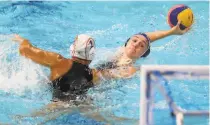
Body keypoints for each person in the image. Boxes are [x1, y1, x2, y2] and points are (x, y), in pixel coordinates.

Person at [12, 34, 137, 125]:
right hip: (85, 104)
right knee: (111, 121)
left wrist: (23, 40)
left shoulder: (59, 61)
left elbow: (26, 51)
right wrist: (134, 69)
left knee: (24, 119)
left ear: (73, 49)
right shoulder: (93, 73)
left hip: (59, 104)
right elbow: (117, 74)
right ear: (92, 55)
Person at [96, 21, 190, 78]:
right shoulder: (119, 51)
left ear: (143, 54)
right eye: (134, 40)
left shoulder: (132, 69)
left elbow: (101, 76)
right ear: (126, 43)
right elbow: (146, 37)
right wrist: (171, 32)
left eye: (141, 46)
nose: (136, 44)